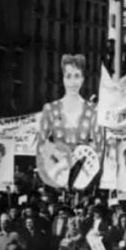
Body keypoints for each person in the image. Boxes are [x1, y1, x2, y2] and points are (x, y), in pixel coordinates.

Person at [37, 54, 104, 189]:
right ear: (63, 78)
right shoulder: (50, 109)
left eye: (77, 76)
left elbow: (99, 147)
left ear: (83, 79)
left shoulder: (93, 110)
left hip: (83, 178)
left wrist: (86, 178)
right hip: (56, 176)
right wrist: (55, 169)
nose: (73, 82)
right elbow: (41, 146)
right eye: (68, 76)